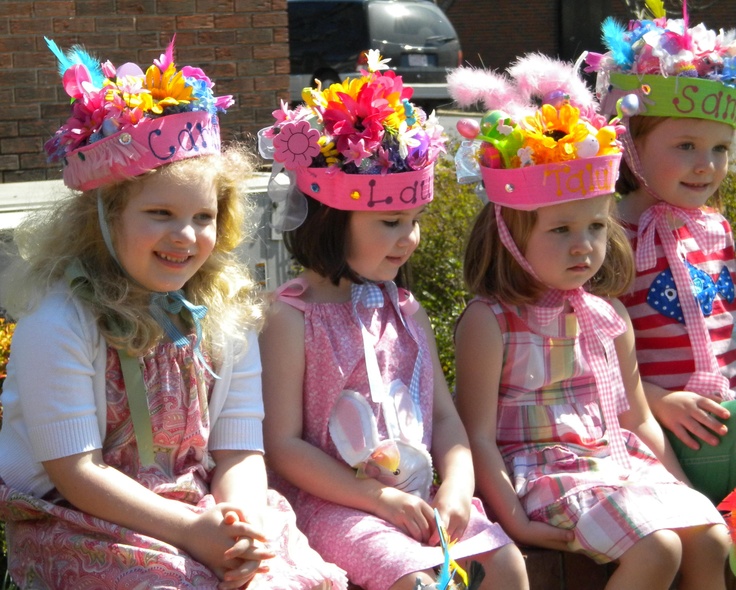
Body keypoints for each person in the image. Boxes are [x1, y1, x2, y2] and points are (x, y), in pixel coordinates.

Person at [0, 38, 347, 590]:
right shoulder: (61, 320)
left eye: (204, 216)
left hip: (204, 509)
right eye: (159, 213)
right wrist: (191, 533)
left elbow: (238, 449)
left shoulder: (222, 316)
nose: (185, 237)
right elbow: (77, 471)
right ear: (105, 219)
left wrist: (241, 529)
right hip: (85, 522)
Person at [449, 53, 730, 590]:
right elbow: (477, 436)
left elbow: (638, 421)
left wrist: (684, 493)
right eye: (560, 230)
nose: (584, 246)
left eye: (597, 227)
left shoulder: (609, 316)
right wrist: (510, 514)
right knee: (658, 549)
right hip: (544, 476)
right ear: (510, 233)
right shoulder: (492, 322)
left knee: (711, 539)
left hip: (618, 465)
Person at [256, 50, 528, 590]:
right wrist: (374, 496)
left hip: (424, 497)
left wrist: (455, 486)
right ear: (330, 220)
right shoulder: (291, 318)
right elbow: (282, 444)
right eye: (390, 221)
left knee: (506, 564)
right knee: (413, 578)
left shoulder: (405, 311)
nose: (410, 237)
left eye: (414, 220)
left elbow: (445, 420)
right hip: (335, 505)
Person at [584, 7, 736, 505]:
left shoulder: (717, 230)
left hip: (723, 432)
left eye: (721, 149)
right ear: (629, 144)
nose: (706, 165)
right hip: (649, 436)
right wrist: (657, 402)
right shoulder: (607, 234)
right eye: (687, 145)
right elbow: (589, 357)